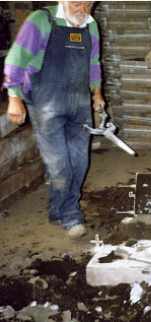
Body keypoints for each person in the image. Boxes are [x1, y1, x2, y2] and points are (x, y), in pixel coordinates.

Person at [3, 1, 105, 238]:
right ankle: (71, 214)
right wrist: (14, 97)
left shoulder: (91, 26)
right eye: (77, 1)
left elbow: (94, 62)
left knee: (79, 162)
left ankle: (57, 209)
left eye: (89, 2)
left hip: (79, 104)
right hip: (46, 104)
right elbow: (15, 59)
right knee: (59, 165)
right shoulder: (41, 20)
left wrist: (97, 93)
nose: (83, 7)